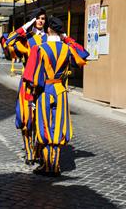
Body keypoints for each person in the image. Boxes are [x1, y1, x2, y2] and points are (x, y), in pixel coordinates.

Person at [22, 17, 89, 177]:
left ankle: (48, 166)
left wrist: (30, 100)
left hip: (44, 91)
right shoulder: (67, 48)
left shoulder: (40, 48)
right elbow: (82, 54)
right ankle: (55, 165)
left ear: (48, 30)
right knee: (58, 127)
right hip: (60, 91)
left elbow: (31, 77)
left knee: (44, 126)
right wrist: (66, 38)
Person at [5, 8, 48, 165]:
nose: (40, 21)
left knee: (41, 118)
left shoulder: (49, 38)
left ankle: (37, 150)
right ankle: (29, 152)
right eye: (37, 18)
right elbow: (9, 42)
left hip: (43, 84)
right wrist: (26, 26)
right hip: (27, 84)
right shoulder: (26, 38)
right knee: (26, 118)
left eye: (43, 18)